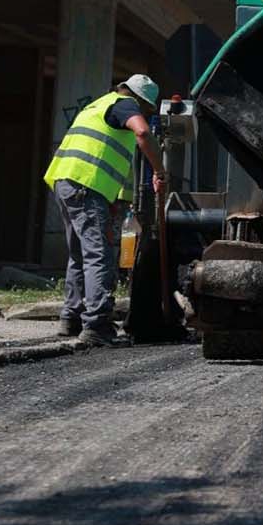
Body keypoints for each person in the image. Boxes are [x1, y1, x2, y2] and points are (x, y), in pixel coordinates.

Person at [44, 75, 166, 345]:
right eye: (146, 109)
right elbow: (143, 132)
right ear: (139, 99)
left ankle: (71, 317)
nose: (144, 114)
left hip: (66, 180)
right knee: (99, 255)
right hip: (86, 184)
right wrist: (159, 170)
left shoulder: (98, 105)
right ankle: (97, 325)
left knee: (79, 254)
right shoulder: (124, 105)